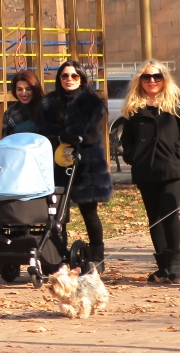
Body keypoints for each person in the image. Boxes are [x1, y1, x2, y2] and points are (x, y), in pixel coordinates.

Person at [121, 60, 180, 283]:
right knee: (154, 218)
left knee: (169, 211)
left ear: (164, 78)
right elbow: (127, 139)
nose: (151, 81)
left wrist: (179, 149)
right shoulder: (134, 106)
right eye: (146, 77)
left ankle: (175, 267)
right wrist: (132, 155)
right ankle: (163, 268)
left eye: (157, 76)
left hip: (174, 167)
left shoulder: (176, 101)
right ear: (140, 81)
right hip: (146, 169)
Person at [39, 60, 112, 272]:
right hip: (57, 162)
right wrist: (58, 138)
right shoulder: (49, 103)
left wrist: (77, 139)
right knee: (56, 214)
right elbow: (45, 132)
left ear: (81, 79)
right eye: (64, 75)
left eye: (74, 76)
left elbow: (94, 135)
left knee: (89, 213)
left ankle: (97, 257)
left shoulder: (91, 102)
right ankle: (55, 256)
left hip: (86, 164)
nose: (69, 79)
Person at [2, 70, 44, 137]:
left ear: (35, 89)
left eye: (28, 89)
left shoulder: (46, 108)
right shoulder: (9, 113)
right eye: (19, 89)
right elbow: (5, 139)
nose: (24, 93)